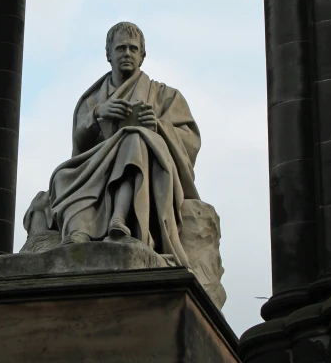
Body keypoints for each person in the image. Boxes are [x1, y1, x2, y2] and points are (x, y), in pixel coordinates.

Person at [23, 22, 201, 267]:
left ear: (142, 55)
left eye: (132, 49)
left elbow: (189, 141)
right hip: (96, 166)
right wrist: (97, 116)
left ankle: (120, 219)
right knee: (62, 176)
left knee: (134, 138)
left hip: (141, 163)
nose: (126, 54)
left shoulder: (165, 96)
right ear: (109, 54)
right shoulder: (92, 99)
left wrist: (158, 127)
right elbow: (79, 149)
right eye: (120, 49)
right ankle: (78, 231)